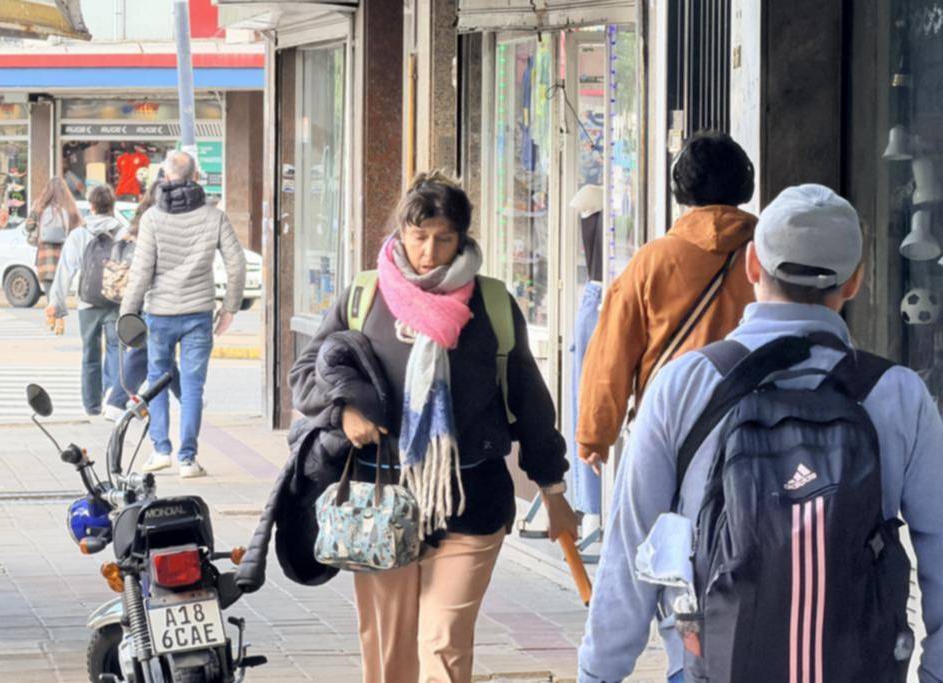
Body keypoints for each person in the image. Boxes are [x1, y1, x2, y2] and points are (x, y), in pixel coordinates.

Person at [578, 184, 943, 683]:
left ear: (752, 267)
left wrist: (599, 674)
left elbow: (630, 544)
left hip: (712, 664)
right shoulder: (896, 393)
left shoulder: (686, 384)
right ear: (855, 281)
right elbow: (940, 542)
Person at [290, 171, 578, 683]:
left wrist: (552, 488)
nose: (429, 250)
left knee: (442, 642)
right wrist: (345, 412)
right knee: (388, 652)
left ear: (462, 238)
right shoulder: (367, 296)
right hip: (381, 498)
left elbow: (530, 403)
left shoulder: (490, 303)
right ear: (401, 231)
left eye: (444, 238)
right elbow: (305, 374)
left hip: (471, 499)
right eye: (419, 235)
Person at [576, 131, 757, 475]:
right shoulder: (765, 255)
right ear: (745, 184)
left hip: (668, 423)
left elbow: (613, 351)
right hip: (750, 424)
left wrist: (595, 436)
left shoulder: (652, 260)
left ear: (679, 188)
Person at [121, 151, 245, 478]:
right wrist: (230, 308)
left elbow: (141, 271)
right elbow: (236, 262)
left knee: (157, 380)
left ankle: (161, 450)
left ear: (164, 175)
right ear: (195, 177)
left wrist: (127, 313)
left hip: (159, 314)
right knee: (192, 387)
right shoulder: (213, 216)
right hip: (198, 314)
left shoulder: (151, 219)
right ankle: (188, 459)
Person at [103, 180, 181, 421]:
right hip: (149, 296)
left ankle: (183, 394)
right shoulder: (156, 223)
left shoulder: (139, 221)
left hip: (139, 295)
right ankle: (116, 400)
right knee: (145, 349)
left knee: (159, 351)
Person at [46, 184, 123, 417]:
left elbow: (65, 270)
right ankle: (112, 397)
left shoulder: (79, 234)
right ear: (112, 206)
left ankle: (91, 405)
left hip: (88, 303)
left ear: (91, 206)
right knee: (115, 350)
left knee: (90, 353)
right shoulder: (123, 232)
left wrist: (56, 304)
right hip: (116, 301)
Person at [26, 176, 82, 298]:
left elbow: (29, 227)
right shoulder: (70, 207)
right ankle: (57, 314)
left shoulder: (39, 206)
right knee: (60, 293)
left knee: (49, 292)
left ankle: (53, 315)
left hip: (45, 256)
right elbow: (78, 231)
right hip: (64, 255)